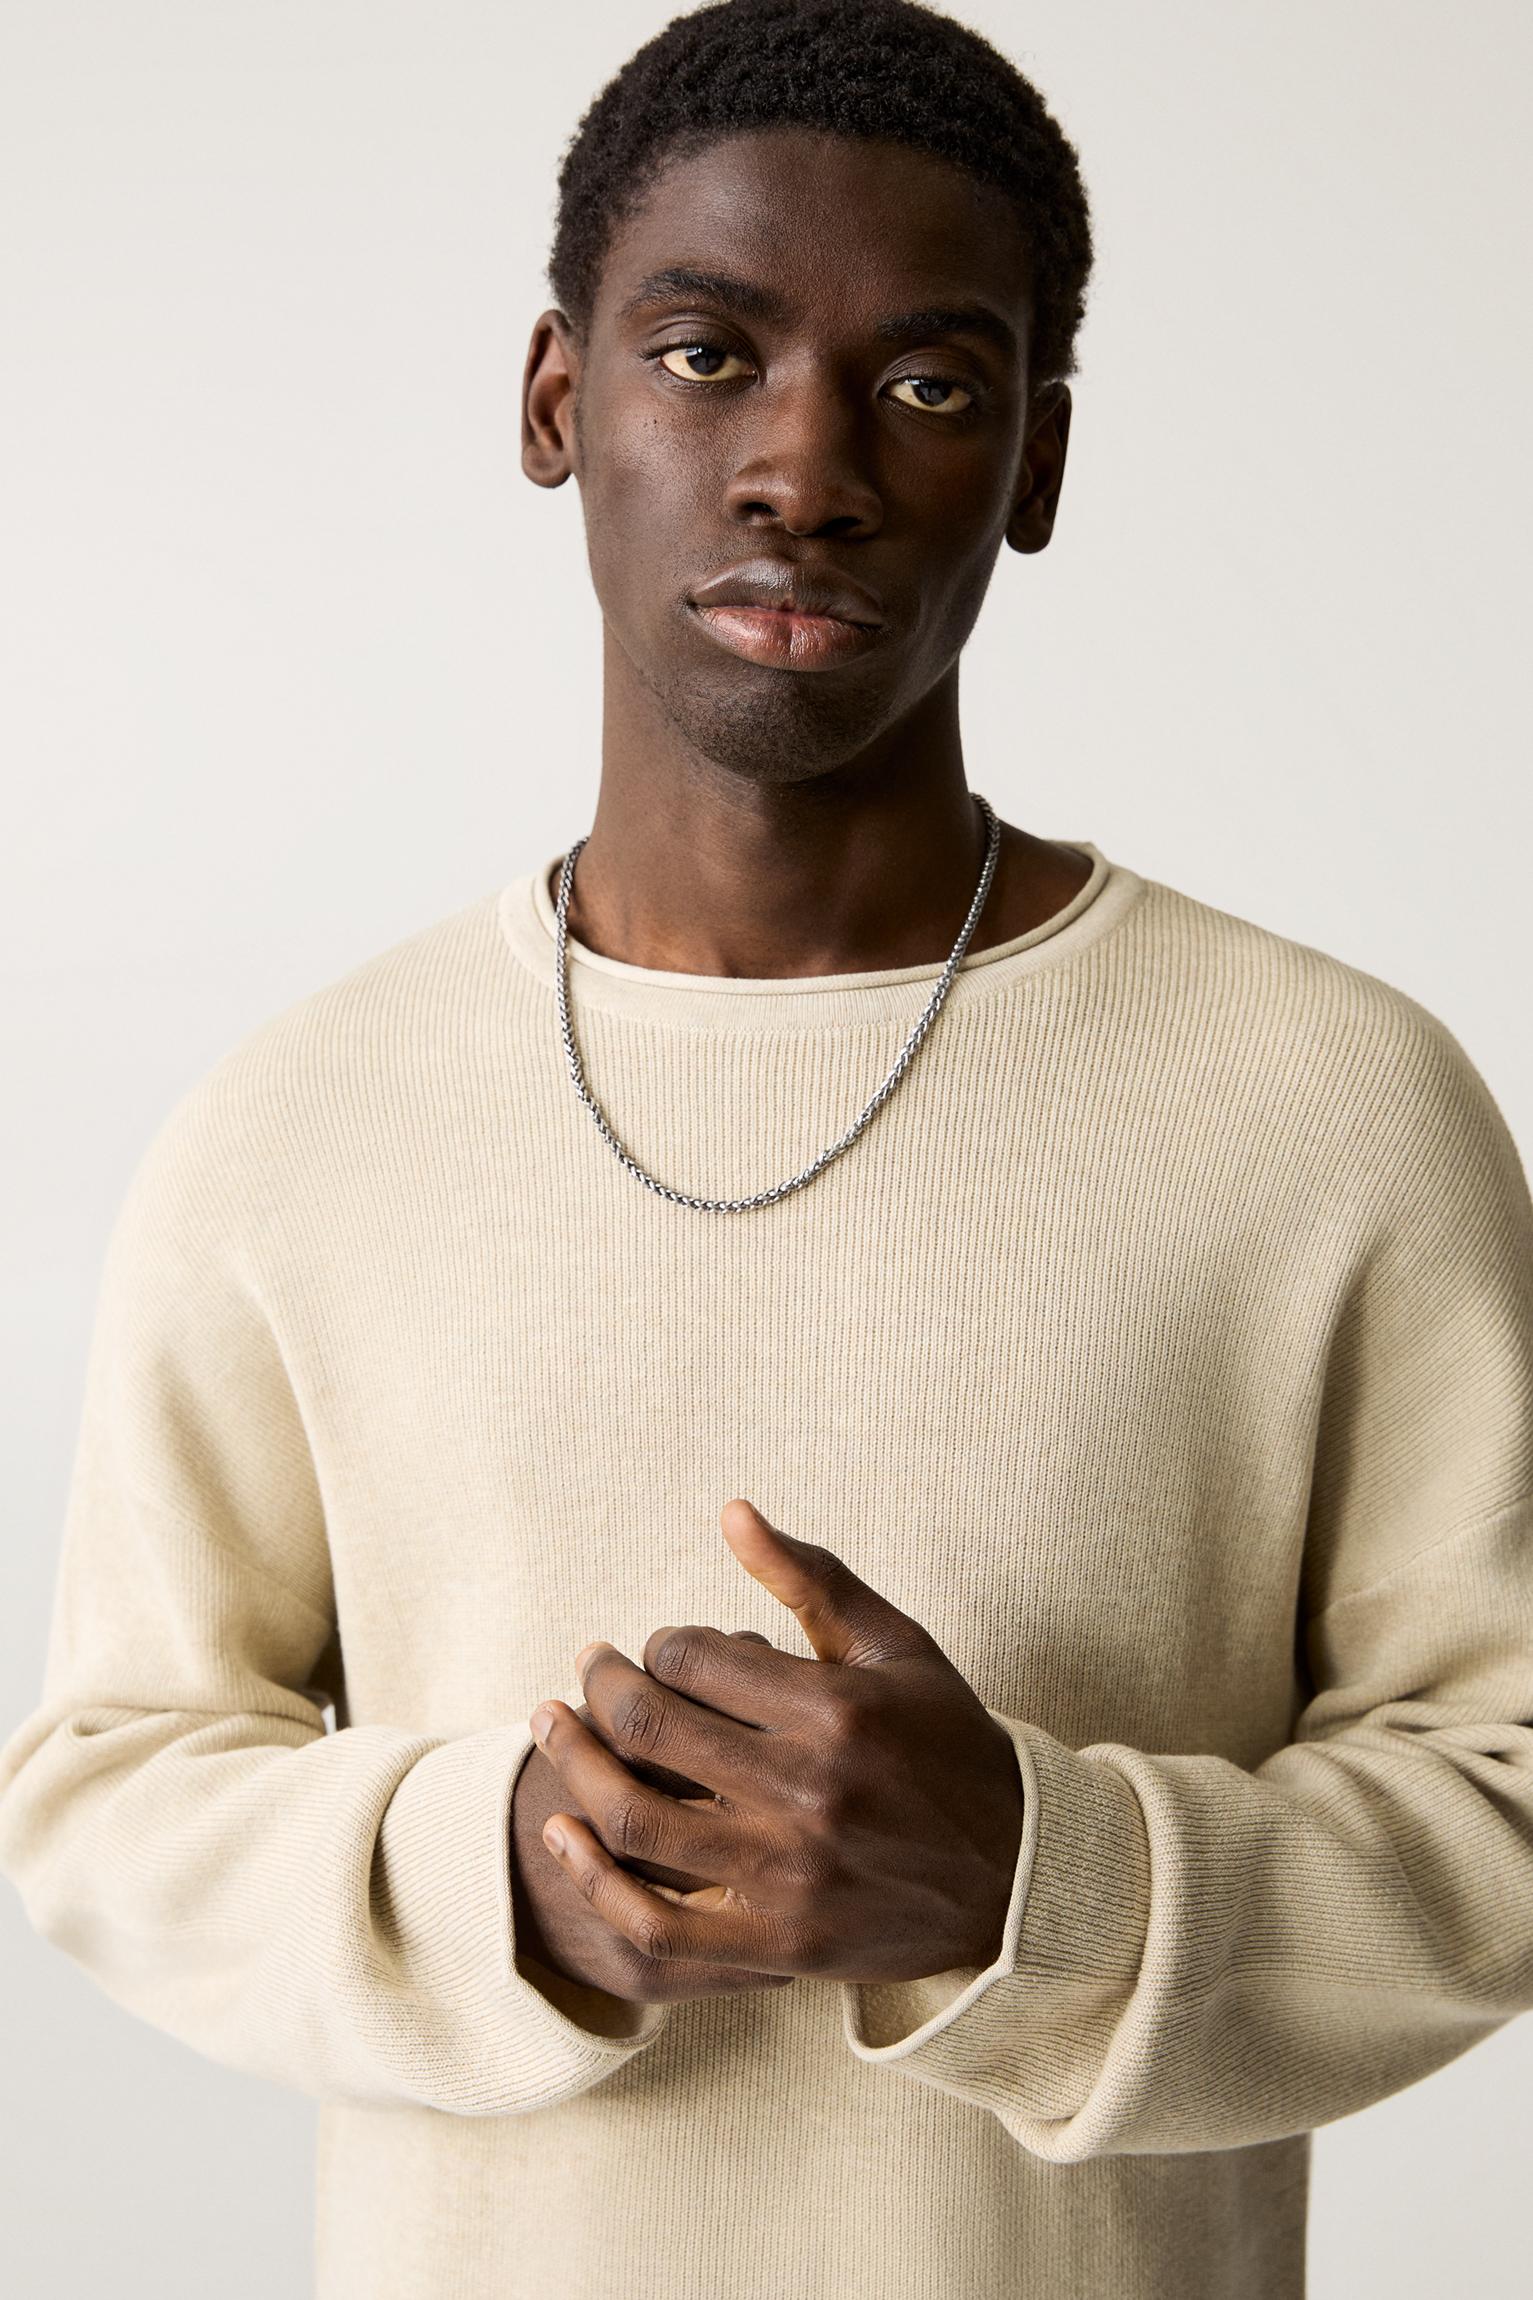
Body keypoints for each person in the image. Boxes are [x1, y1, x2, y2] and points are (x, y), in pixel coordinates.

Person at [3, 1, 1531, 2295]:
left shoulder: (1328, 1102)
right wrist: (498, 1869)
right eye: (705, 354)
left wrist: (1028, 1874)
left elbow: (1503, 1788)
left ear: (1033, 458)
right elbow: (112, 1783)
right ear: (556, 399)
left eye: (925, 384)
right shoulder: (295, 1124)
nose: (801, 468)